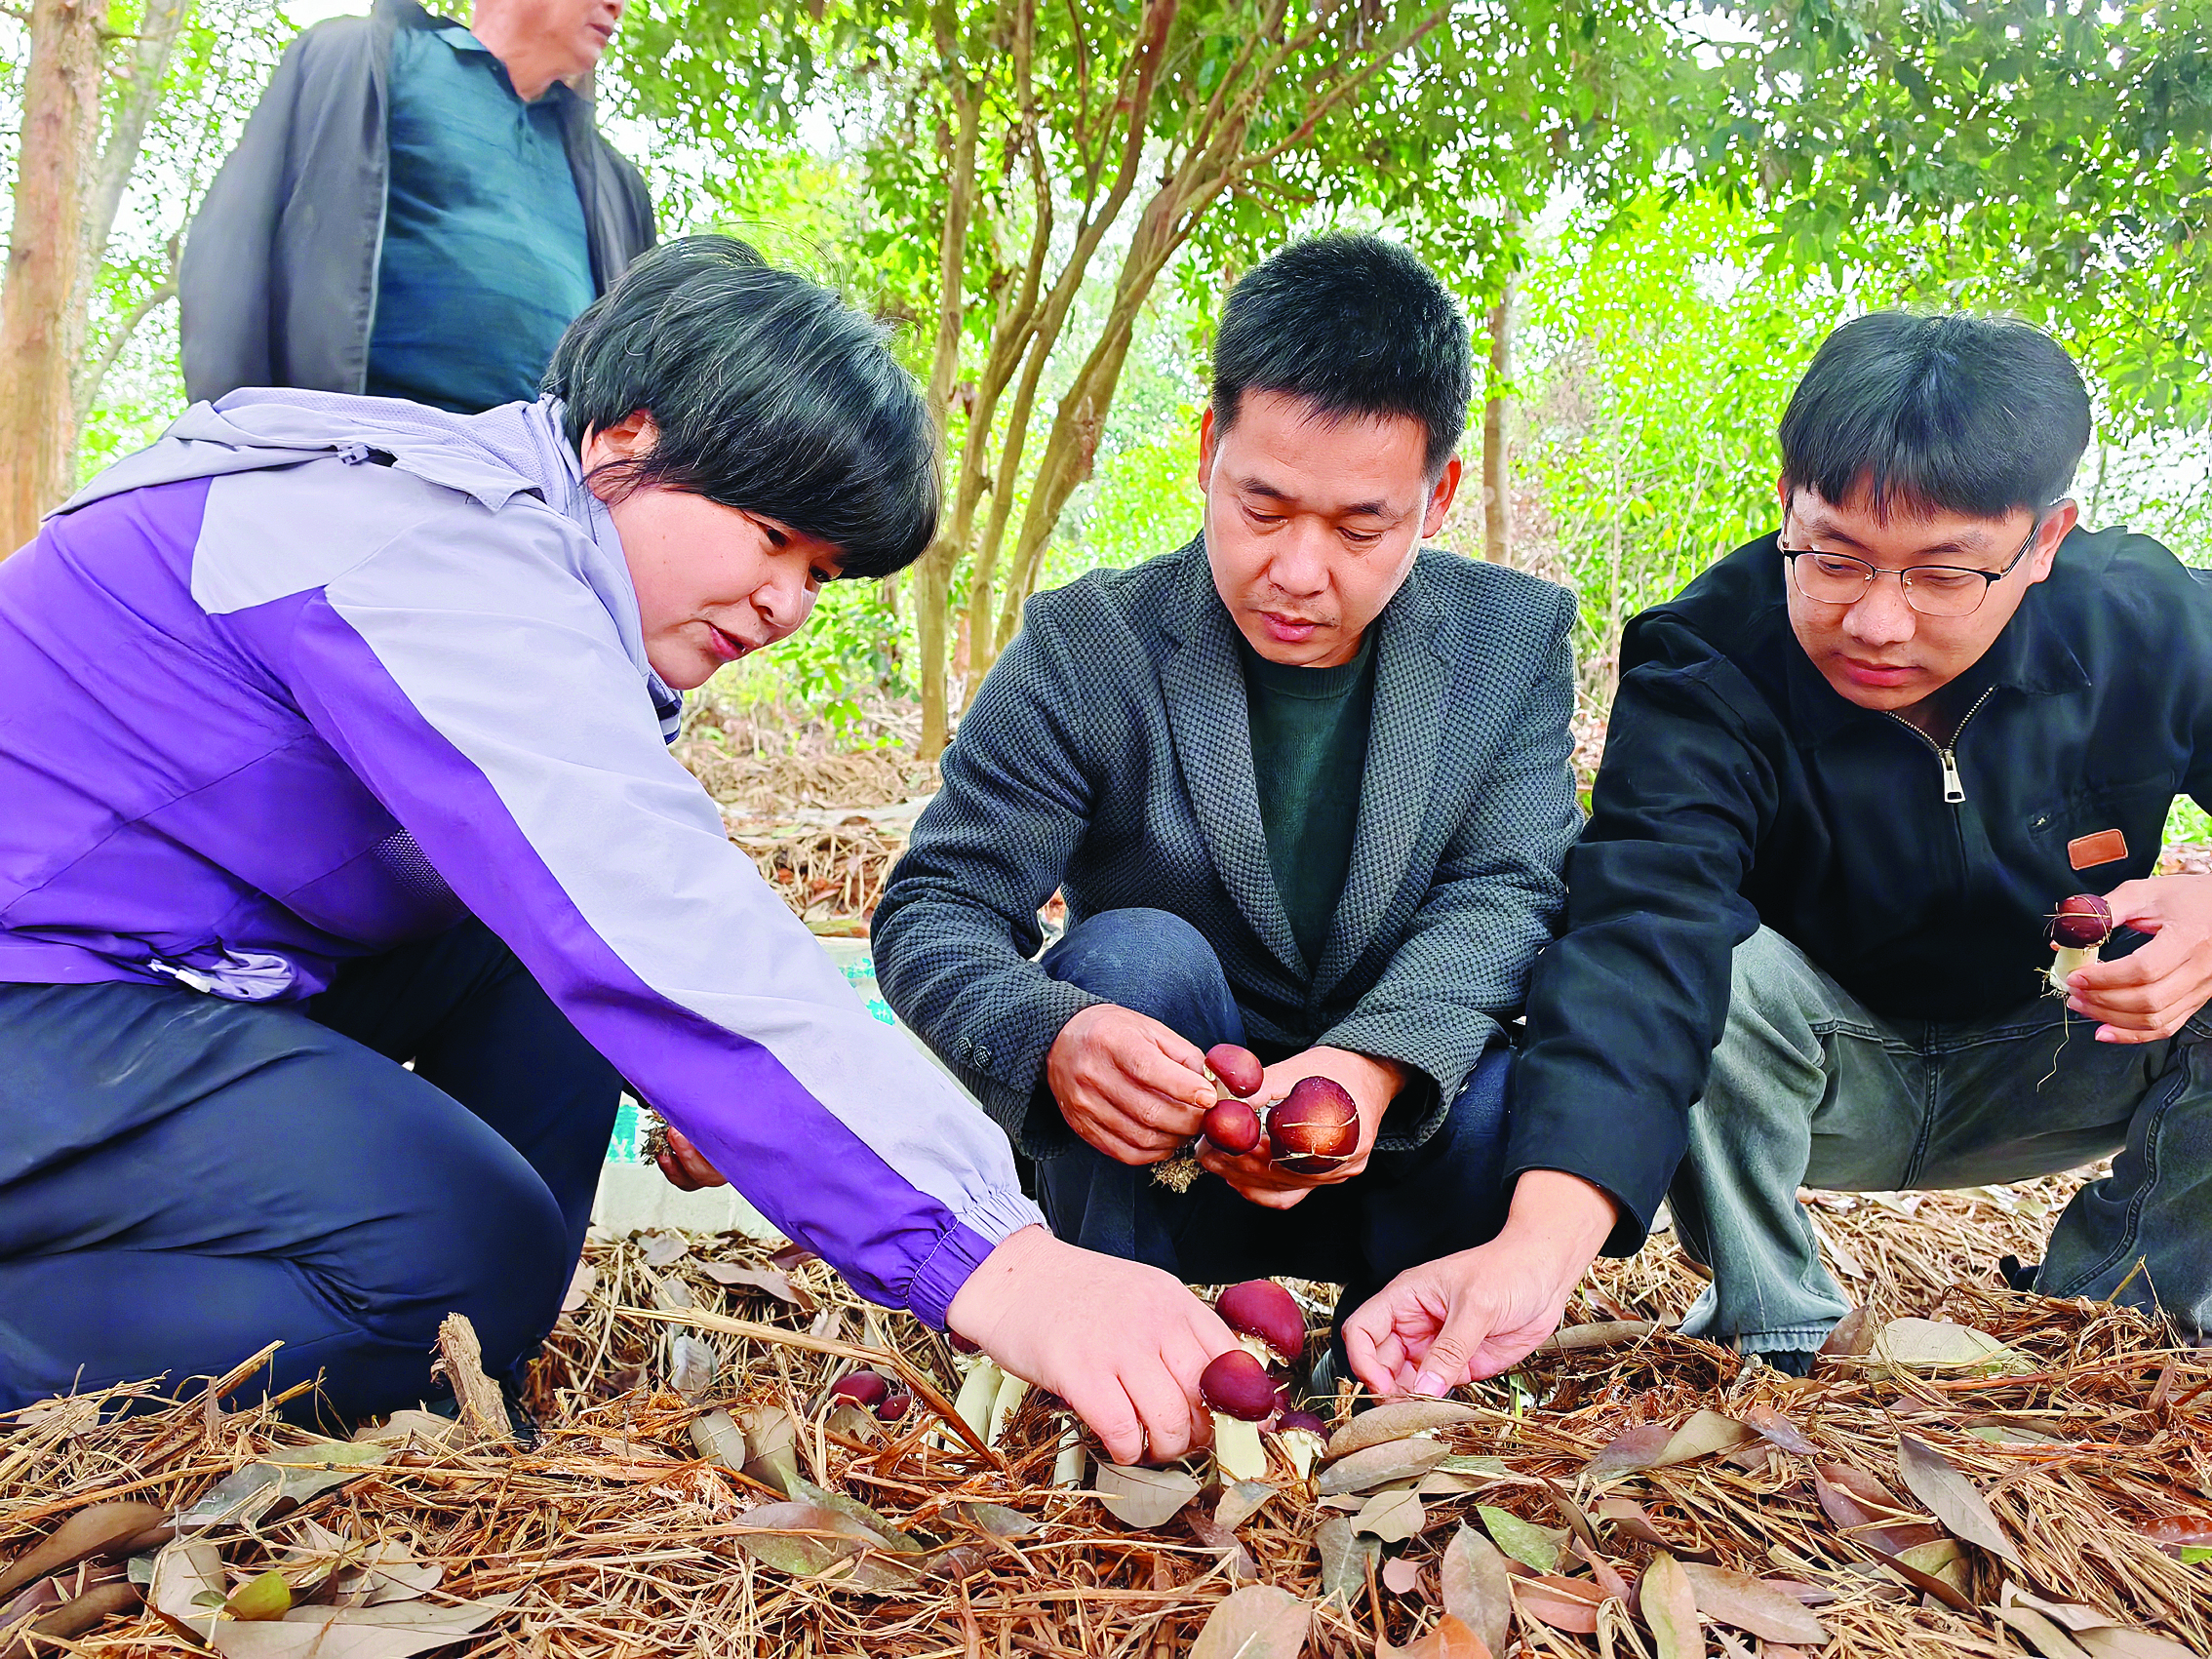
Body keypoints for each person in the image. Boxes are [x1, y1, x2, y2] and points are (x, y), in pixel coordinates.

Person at [0, 237, 1237, 1464]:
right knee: (458, 1244)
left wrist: (705, 1086)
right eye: (771, 535)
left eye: (821, 573)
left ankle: (459, 1356)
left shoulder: (518, 557)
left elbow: (608, 901)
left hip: (166, 970)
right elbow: (652, 913)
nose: (787, 605)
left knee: (522, 1003)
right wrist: (1001, 1265)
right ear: (626, 437)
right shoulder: (426, 546)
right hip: (42, 990)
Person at [1345, 311, 2212, 1394]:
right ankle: (1774, 1325)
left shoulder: (2149, 620)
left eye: (1944, 574)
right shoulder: (1705, 662)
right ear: (1787, 503)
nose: (1878, 623)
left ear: (2044, 542)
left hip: (2055, 1053)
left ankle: (2125, 1313)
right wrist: (1536, 1250)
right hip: (1808, 1075)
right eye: (1835, 558)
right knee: (1711, 962)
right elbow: (1641, 940)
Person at [871, 235, 1585, 1370]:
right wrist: (1052, 1039)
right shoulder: (1087, 646)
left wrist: (1372, 1069)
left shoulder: (1511, 643)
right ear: (1209, 451)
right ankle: (1113, 1350)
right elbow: (937, 908)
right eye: (1263, 507)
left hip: (1404, 1146)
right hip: (1153, 1160)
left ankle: (1401, 1363)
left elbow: (1508, 892)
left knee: (1511, 1086)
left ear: (1437, 498)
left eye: (1360, 528)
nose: (1298, 571)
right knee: (1130, 962)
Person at [179, 0, 652, 412]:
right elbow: (233, 248)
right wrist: (235, 434)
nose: (618, 5)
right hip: (351, 453)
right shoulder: (364, 57)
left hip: (534, 476)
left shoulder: (616, 184)